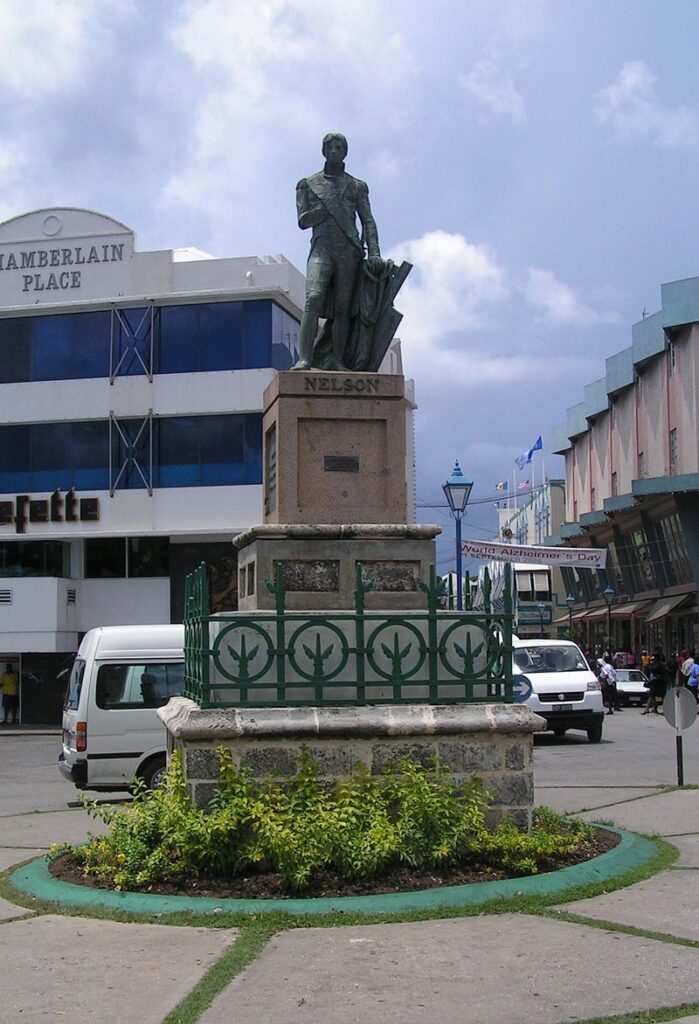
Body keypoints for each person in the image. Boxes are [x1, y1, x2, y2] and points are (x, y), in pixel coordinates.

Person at [292, 133, 383, 371]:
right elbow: (302, 221)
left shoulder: (357, 186)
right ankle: (305, 359)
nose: (335, 151)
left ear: (345, 152)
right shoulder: (308, 184)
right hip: (322, 248)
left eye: (339, 147)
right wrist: (325, 210)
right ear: (324, 151)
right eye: (331, 147)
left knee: (344, 309)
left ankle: (338, 361)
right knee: (313, 298)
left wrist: (374, 252)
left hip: (348, 251)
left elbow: (368, 221)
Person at [642, 648, 668, 714]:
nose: (652, 660)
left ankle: (664, 709)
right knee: (652, 696)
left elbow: (653, 669)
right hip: (655, 682)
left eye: (653, 658)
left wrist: (649, 664)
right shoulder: (657, 664)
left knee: (661, 696)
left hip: (660, 682)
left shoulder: (659, 664)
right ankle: (650, 709)